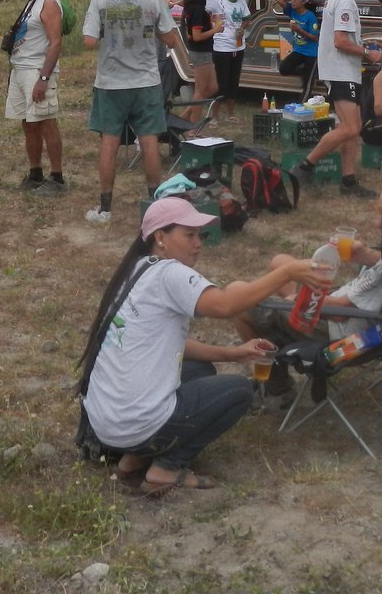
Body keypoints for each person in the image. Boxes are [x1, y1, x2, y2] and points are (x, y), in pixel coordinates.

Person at [78, 196, 329, 496]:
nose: (198, 244)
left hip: (106, 422)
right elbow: (224, 305)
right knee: (239, 392)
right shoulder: (170, 273)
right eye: (189, 235)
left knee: (200, 369)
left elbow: (169, 344)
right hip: (131, 424)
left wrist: (234, 354)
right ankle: (166, 468)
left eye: (200, 235)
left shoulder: (135, 269)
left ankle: (135, 458)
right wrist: (286, 274)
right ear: (160, 237)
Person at [235, 171, 382, 408]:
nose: (377, 224)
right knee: (281, 262)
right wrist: (367, 255)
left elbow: (339, 313)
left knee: (242, 300)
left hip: (349, 340)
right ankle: (276, 349)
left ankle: (278, 389)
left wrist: (298, 301)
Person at [83, 0, 180, 224]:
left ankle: (104, 208)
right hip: (146, 81)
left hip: (111, 82)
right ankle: (155, 204)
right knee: (149, 141)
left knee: (109, 141)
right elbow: (171, 40)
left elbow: (89, 41)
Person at [288, 0, 375, 198]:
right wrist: (368, 53)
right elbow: (340, 41)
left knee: (351, 127)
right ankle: (305, 167)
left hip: (343, 70)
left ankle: (348, 181)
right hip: (341, 70)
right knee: (351, 127)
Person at [7, 0, 65, 195]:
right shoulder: (32, 2)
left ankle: (57, 177)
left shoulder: (48, 3)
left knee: (46, 121)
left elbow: (55, 43)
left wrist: (43, 79)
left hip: (36, 70)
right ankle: (35, 172)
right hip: (21, 69)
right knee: (28, 122)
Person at [206, 0, 249, 122]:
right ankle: (214, 116)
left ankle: (230, 114)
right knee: (220, 83)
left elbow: (246, 18)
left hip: (238, 46)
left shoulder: (241, 1)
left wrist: (242, 28)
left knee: (233, 81)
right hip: (221, 47)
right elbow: (200, 8)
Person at [180, 0, 219, 123]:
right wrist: (215, 29)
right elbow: (197, 36)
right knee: (200, 91)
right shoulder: (197, 9)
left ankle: (183, 118)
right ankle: (193, 127)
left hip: (204, 51)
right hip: (201, 51)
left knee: (212, 87)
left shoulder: (190, 7)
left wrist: (209, 22)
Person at [272, 0, 319, 89]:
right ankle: (307, 72)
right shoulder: (292, 11)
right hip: (298, 51)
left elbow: (315, 38)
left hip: (311, 53)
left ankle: (309, 75)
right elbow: (279, 0)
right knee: (283, 69)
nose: (293, 1)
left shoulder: (310, 17)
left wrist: (299, 30)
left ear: (304, 2)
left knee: (307, 86)